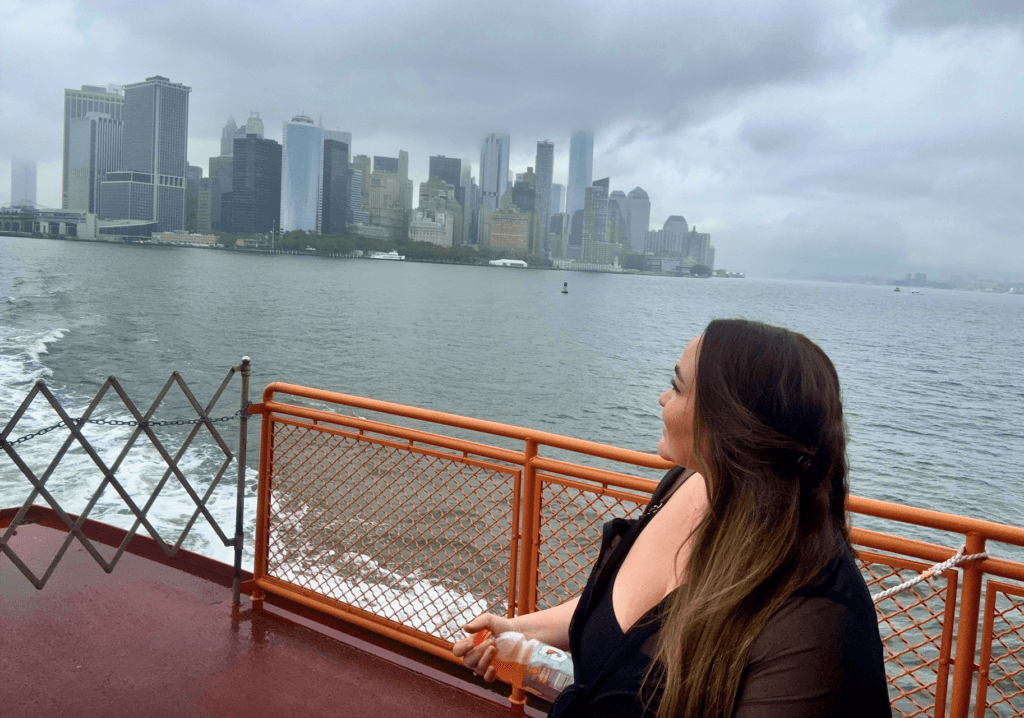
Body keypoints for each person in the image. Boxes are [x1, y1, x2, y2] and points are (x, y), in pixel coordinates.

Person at [453, 319, 891, 718]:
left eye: (677, 388)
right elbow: (622, 618)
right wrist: (516, 628)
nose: (663, 397)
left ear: (729, 424)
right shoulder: (683, 482)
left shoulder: (814, 620)